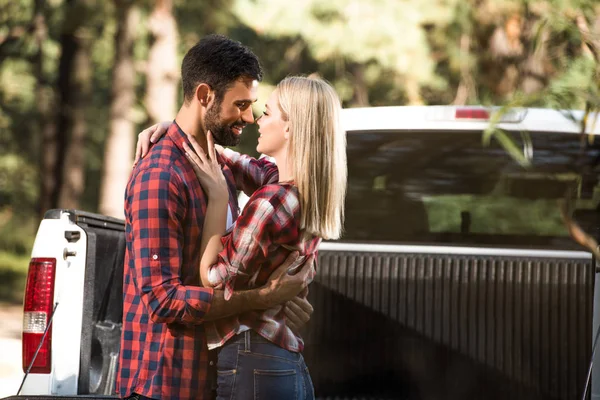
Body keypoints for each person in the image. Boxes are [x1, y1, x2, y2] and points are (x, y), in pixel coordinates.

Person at [119, 35, 315, 400]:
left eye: (254, 106)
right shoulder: (160, 175)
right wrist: (262, 297)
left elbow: (285, 190)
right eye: (240, 105)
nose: (249, 117)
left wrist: (277, 300)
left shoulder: (216, 170)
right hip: (166, 385)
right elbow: (164, 300)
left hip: (216, 378)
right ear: (205, 95)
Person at [183, 76, 347, 399]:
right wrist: (183, 135)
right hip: (285, 360)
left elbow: (215, 279)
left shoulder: (270, 203)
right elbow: (247, 167)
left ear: (290, 129)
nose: (258, 119)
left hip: (251, 357)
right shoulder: (299, 194)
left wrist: (217, 199)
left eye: (268, 113)